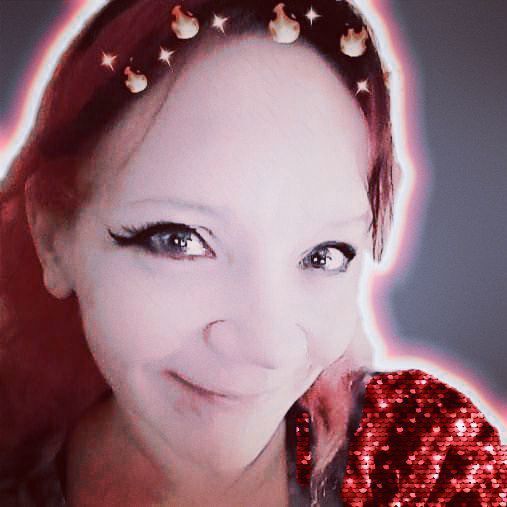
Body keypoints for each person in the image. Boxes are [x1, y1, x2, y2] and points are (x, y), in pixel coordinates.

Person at [0, 0, 504, 505]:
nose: (267, 347)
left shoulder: (422, 464)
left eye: (324, 254)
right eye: (180, 240)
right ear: (53, 235)